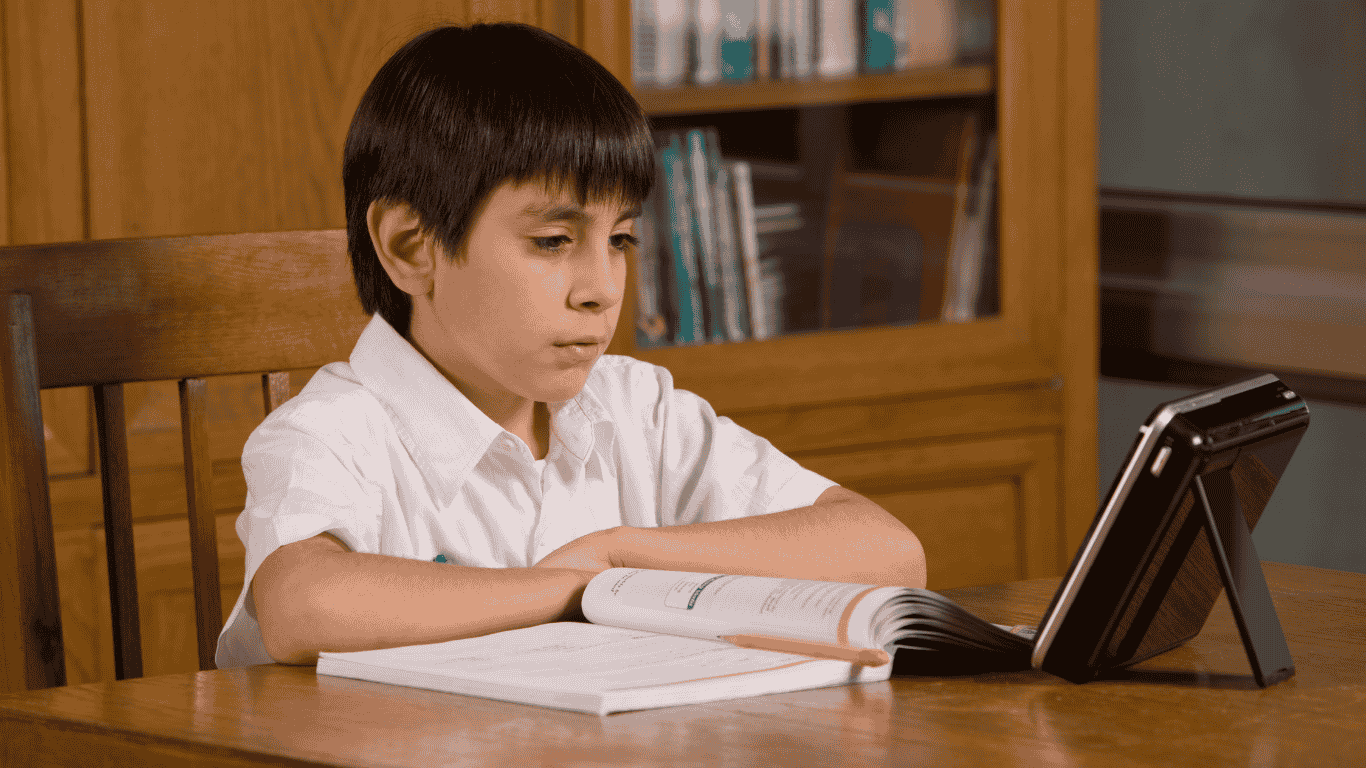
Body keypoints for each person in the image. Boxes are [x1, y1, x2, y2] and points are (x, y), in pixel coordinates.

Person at [215, 22, 926, 668]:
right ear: (411, 247)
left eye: (618, 240)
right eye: (553, 241)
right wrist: (575, 589)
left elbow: (889, 555)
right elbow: (303, 602)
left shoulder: (633, 408)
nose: (601, 288)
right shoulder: (334, 431)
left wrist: (620, 554)